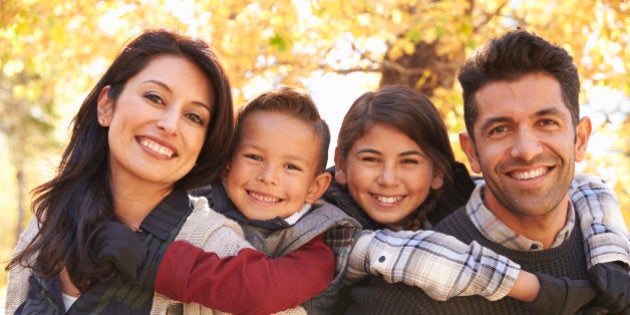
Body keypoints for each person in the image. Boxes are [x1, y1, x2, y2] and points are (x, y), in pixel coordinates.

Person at [5, 29, 337, 315]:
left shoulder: (216, 249)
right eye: (155, 98)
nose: (169, 125)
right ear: (107, 106)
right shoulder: (49, 217)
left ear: (205, 144)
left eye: (194, 117)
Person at [329, 31, 630, 314]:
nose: (526, 150)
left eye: (546, 122)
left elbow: (591, 188)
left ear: (580, 139)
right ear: (471, 151)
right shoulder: (400, 297)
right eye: (500, 129)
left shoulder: (612, 256)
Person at [153, 87, 362, 314]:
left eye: (291, 166)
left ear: (315, 187)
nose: (268, 177)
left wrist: (150, 262)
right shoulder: (195, 203)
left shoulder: (316, 250)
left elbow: (263, 292)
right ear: (227, 164)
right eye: (254, 157)